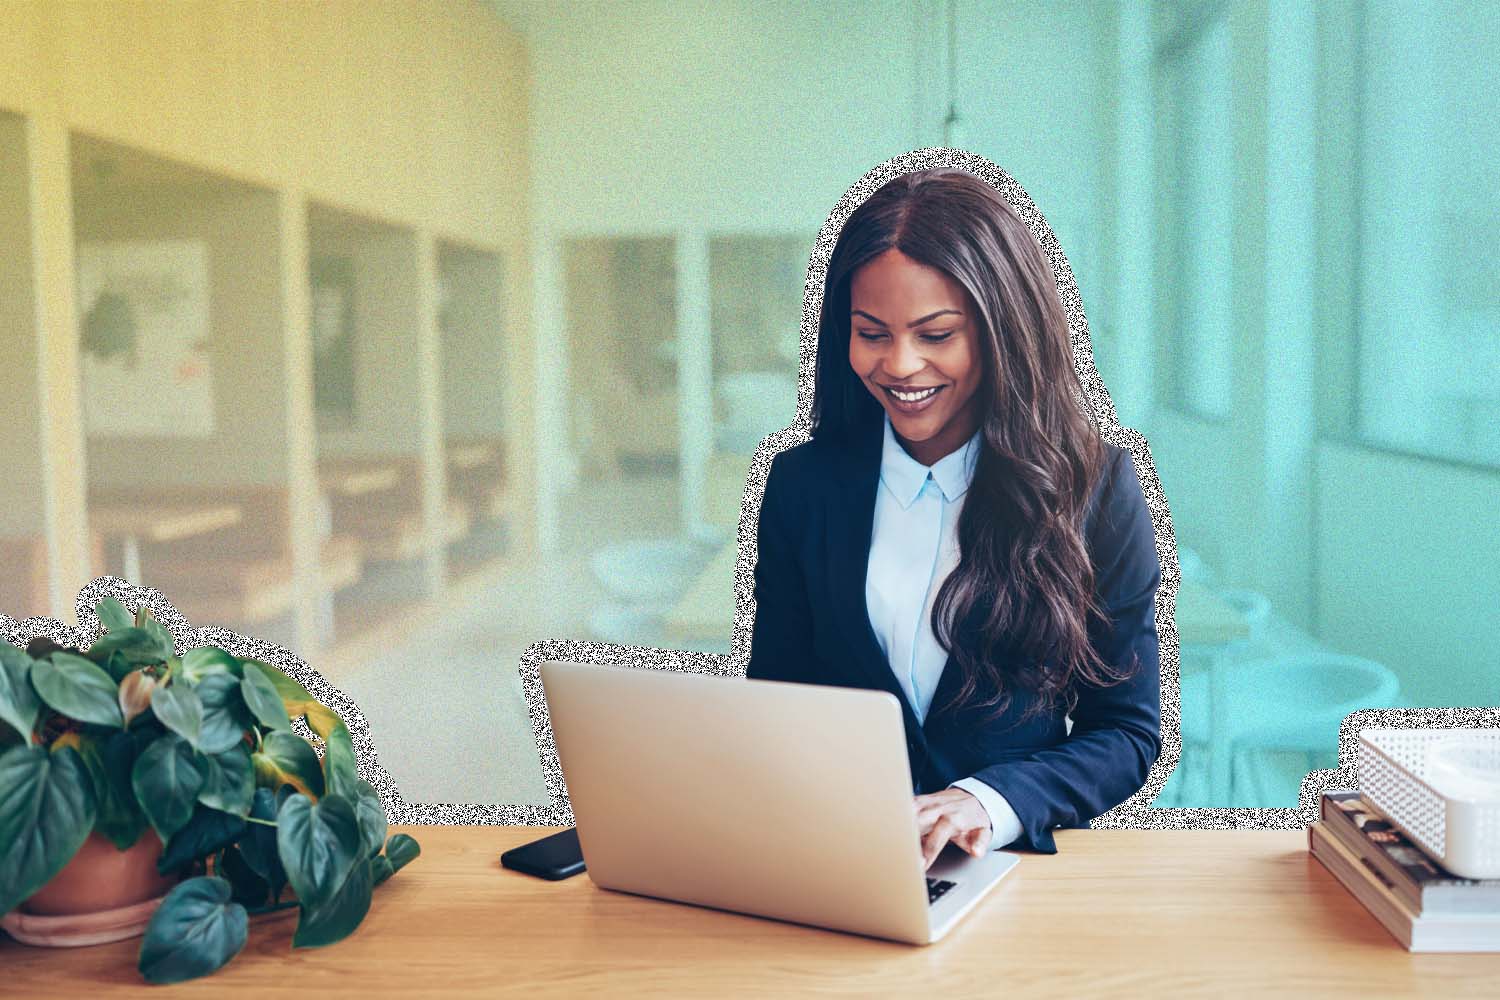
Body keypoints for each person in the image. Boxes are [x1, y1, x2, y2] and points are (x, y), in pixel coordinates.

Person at [746, 167, 1162, 869]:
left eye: (936, 333)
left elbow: (1124, 733)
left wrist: (984, 802)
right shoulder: (802, 486)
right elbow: (779, 700)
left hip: (1008, 872)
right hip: (838, 864)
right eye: (870, 333)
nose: (900, 366)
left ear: (1005, 331)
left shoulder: (1094, 488)